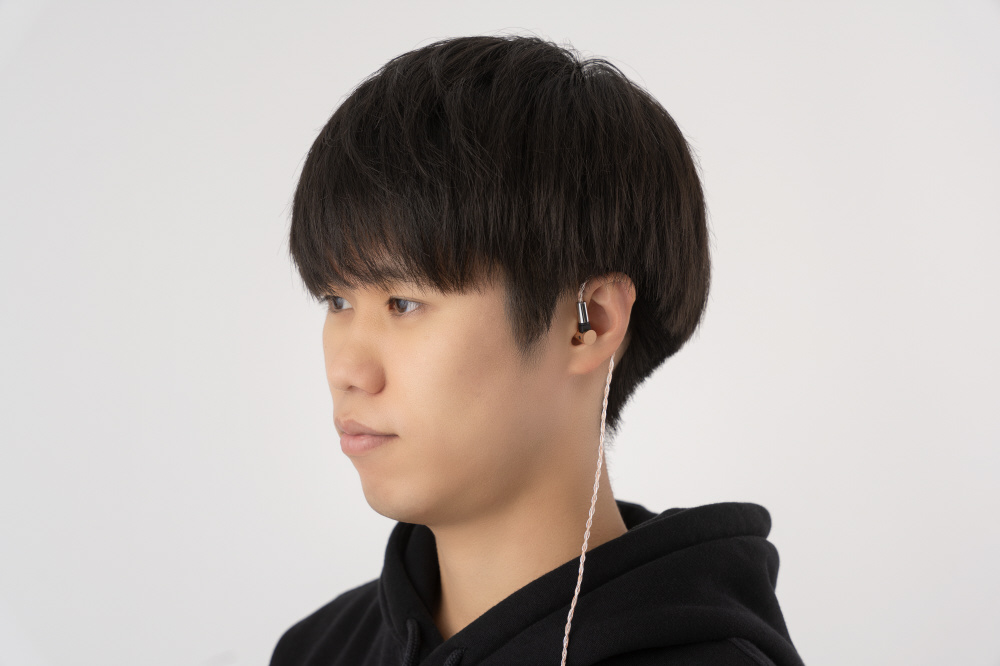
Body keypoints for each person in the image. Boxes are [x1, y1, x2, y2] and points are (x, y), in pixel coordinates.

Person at [269, 34, 804, 666]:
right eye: (335, 300)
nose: (347, 371)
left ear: (589, 323)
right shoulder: (318, 650)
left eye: (404, 303)